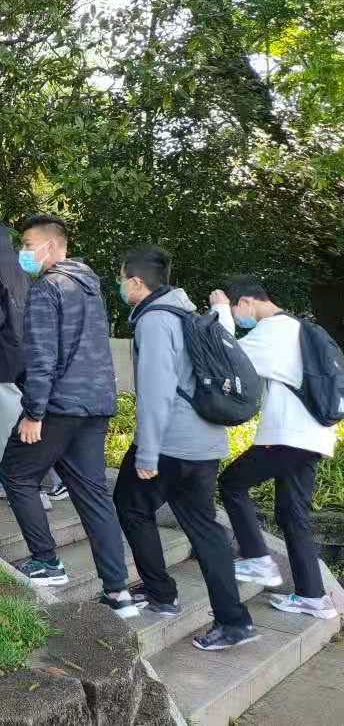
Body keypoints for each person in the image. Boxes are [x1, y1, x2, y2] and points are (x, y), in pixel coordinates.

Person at [113, 246, 258, 650]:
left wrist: (147, 453)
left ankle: (160, 593)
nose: (120, 285)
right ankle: (234, 621)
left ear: (136, 282)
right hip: (205, 443)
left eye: (122, 278)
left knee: (130, 505)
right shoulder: (186, 312)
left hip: (171, 444)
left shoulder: (155, 321)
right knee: (205, 529)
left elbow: (157, 390)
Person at [0, 215, 138, 618]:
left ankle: (46, 561)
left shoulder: (49, 288)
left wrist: (33, 413)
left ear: (52, 246)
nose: (23, 252)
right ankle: (118, 592)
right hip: (94, 405)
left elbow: (42, 357)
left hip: (59, 405)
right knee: (94, 495)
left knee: (16, 474)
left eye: (28, 245)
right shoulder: (89, 286)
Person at [211, 277, 340, 621]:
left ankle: (257, 559)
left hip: (288, 436)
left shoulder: (274, 330)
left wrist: (220, 310)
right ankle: (313, 597)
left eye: (236, 311)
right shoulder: (298, 327)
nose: (239, 320)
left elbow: (228, 358)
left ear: (245, 302)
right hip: (314, 437)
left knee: (231, 483)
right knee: (293, 514)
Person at [0, 220, 65, 504]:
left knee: (11, 424)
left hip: (0, 360)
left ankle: (30, 489)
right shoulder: (21, 272)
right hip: (22, 356)